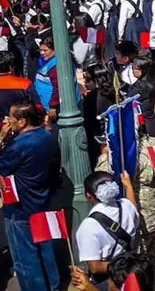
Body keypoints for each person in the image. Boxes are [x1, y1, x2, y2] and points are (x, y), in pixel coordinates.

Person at [0, 101, 62, 291]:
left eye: (11, 117)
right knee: (45, 250)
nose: (7, 120)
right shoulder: (47, 136)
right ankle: (53, 285)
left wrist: (1, 138)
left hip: (21, 208)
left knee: (25, 258)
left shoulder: (18, 145)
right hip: (43, 201)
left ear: (22, 122)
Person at [76, 171, 139, 286]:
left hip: (108, 281)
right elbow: (132, 205)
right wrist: (128, 186)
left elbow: (95, 268)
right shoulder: (126, 206)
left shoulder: (88, 226)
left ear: (88, 195)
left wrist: (120, 269)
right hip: (132, 274)